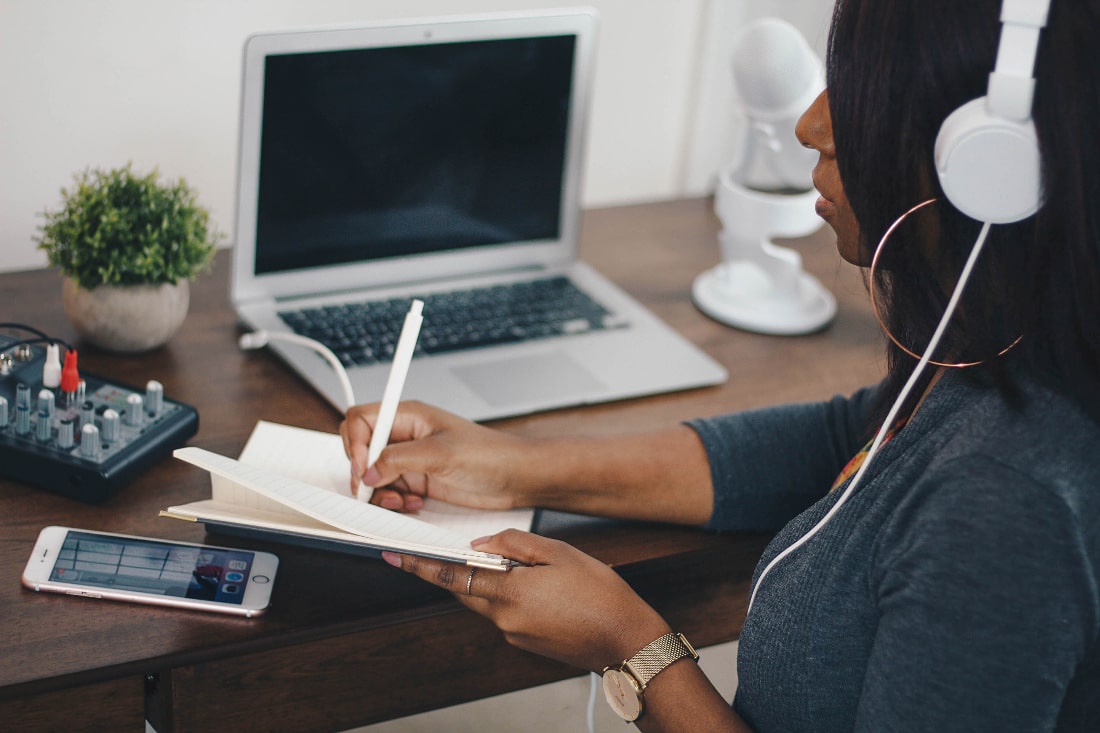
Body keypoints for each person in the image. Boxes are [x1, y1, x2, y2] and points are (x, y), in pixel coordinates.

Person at [340, 1, 1100, 730]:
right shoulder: (996, 339)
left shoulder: (1009, 501)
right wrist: (516, 465)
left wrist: (631, 645)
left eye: (866, 83)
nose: (810, 124)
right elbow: (848, 438)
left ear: (989, 157)